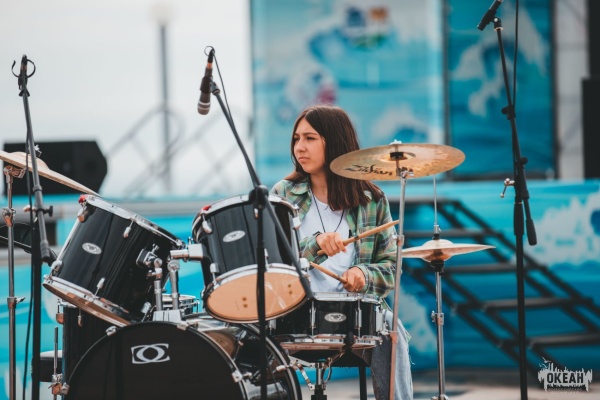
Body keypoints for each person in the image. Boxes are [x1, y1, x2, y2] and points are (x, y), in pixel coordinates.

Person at [271, 105, 413, 400]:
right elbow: (274, 260)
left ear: (335, 141)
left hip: (354, 316)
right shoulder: (283, 194)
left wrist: (364, 274)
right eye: (296, 139)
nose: (299, 147)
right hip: (294, 313)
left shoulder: (371, 199)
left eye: (310, 138)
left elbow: (391, 267)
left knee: (390, 329)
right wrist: (315, 244)